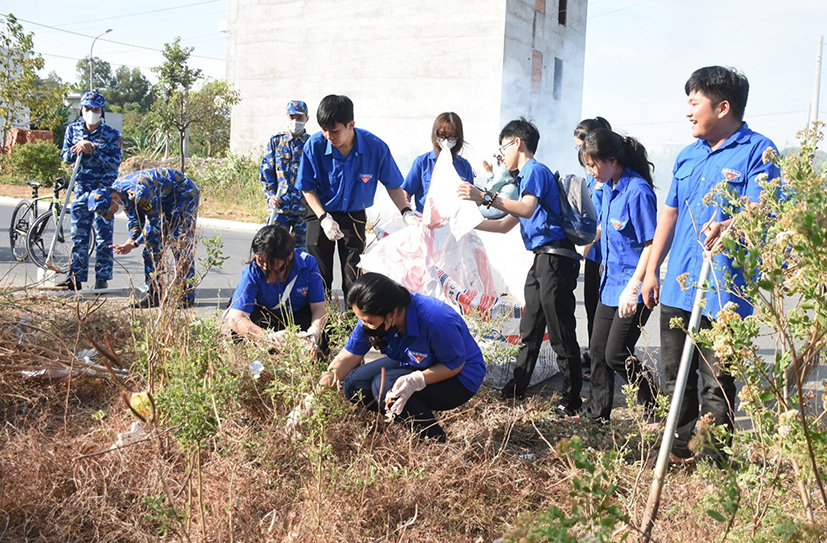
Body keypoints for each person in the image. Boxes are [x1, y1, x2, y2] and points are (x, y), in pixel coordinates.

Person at [641, 66, 780, 464]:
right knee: (675, 377)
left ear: (722, 107)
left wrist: (731, 223)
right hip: (678, 288)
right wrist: (652, 270)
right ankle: (680, 450)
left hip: (723, 291)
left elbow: (762, 207)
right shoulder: (687, 156)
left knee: (716, 382)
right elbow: (668, 216)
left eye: (694, 102)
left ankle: (713, 461)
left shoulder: (759, 151)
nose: (688, 111)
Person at [457, 117, 581, 414]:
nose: (501, 157)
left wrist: (484, 195)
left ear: (517, 143)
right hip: (542, 259)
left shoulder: (534, 170)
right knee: (531, 328)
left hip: (556, 258)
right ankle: (516, 388)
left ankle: (572, 399)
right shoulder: (526, 179)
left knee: (561, 330)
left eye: (503, 148)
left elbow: (525, 208)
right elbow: (504, 225)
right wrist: (466, 224)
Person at [319, 272, 485, 441]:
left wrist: (416, 380)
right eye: (361, 319)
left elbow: (455, 365)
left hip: (459, 378)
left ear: (391, 313)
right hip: (417, 362)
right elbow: (347, 357)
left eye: (369, 321)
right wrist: (314, 397)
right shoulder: (373, 316)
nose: (364, 325)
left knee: (384, 387)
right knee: (355, 384)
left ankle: (433, 439)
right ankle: (405, 416)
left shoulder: (435, 319)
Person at [296, 95, 416, 299]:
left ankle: (354, 323)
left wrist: (406, 212)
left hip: (353, 214)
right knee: (319, 273)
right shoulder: (314, 145)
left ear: (351, 124)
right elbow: (306, 187)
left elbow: (393, 184)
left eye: (334, 131)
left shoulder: (375, 147)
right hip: (320, 212)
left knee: (354, 274)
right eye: (324, 130)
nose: (328, 136)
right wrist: (324, 219)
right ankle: (320, 323)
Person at [578, 128, 659, 422]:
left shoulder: (638, 191)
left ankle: (654, 402)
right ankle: (598, 414)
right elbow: (606, 228)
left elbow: (651, 242)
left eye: (593, 164)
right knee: (597, 352)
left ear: (611, 160)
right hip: (609, 285)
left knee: (615, 354)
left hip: (632, 287)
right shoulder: (608, 189)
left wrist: (635, 286)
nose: (591, 171)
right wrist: (585, 243)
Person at [88, 167, 200, 308]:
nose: (112, 213)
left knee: (179, 243)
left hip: (183, 193)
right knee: (150, 252)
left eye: (109, 210)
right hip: (163, 198)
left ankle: (186, 296)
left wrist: (134, 244)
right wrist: (130, 241)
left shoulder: (139, 193)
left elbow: (155, 224)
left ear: (114, 199)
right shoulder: (121, 195)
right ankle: (154, 295)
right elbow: (136, 221)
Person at [224, 224, 327, 351]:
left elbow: (319, 307)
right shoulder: (252, 271)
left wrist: (314, 331)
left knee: (325, 333)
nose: (266, 267)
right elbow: (236, 318)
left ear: (288, 256)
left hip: (298, 318)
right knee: (242, 329)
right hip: (267, 322)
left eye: (272, 262)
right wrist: (268, 337)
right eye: (261, 261)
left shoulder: (308, 263)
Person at [58, 91, 122, 291]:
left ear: (102, 111)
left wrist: (94, 151)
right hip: (81, 190)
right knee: (79, 237)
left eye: (95, 109)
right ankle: (75, 278)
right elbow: (65, 157)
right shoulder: (72, 130)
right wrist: (77, 148)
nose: (91, 113)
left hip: (103, 192)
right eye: (87, 109)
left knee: (104, 237)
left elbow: (114, 163)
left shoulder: (112, 135)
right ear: (82, 110)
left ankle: (102, 279)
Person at [574, 116, 612, 376]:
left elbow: (605, 220)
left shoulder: (609, 177)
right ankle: (592, 352)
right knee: (590, 307)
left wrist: (588, 242)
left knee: (602, 310)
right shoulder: (590, 178)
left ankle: (601, 361)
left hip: (603, 253)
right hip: (591, 254)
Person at [260, 100, 312, 251]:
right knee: (274, 249)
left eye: (299, 117)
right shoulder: (277, 141)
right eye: (292, 117)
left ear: (306, 119)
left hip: (303, 209)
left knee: (300, 253)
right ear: (287, 117)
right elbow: (267, 170)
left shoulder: (311, 144)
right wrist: (270, 195)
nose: (295, 121)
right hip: (280, 207)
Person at [402, 112, 473, 213]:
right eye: (442, 135)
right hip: (425, 221)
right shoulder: (422, 163)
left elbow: (471, 199)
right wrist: (406, 206)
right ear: (435, 135)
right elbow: (406, 191)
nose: (446, 141)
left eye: (451, 136)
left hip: (453, 223)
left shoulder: (464, 166)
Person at [476, 154, 519, 220]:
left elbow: (490, 188)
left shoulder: (505, 168)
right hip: (505, 211)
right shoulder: (519, 172)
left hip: (497, 207)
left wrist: (489, 172)